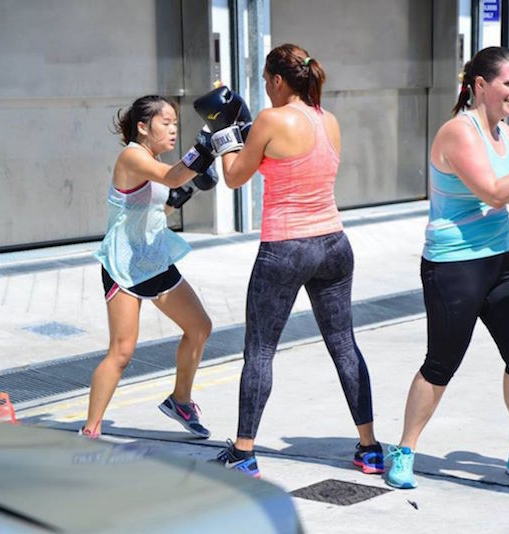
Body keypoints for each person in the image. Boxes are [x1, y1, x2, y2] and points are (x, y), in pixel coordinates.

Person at [385, 46, 509, 490]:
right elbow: (494, 192)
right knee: (441, 363)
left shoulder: (504, 133)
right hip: (454, 265)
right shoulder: (459, 132)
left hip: (501, 260)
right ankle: (404, 449)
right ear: (480, 85)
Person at [193, 44, 383, 478]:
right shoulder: (328, 119)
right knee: (344, 345)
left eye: (265, 80)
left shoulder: (270, 120)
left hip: (286, 248)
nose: (264, 88)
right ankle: (370, 448)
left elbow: (234, 176)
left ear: (278, 80)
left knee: (259, 349)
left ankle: (244, 453)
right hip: (333, 244)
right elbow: (289, 165)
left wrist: (224, 134)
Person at [83, 95, 216, 439]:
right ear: (143, 127)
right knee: (122, 352)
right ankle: (90, 430)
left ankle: (180, 401)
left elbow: (155, 207)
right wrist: (207, 146)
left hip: (154, 259)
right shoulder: (132, 155)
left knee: (199, 327)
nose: (173, 129)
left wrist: (179, 200)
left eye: (175, 123)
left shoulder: (153, 160)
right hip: (124, 265)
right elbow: (172, 177)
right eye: (166, 123)